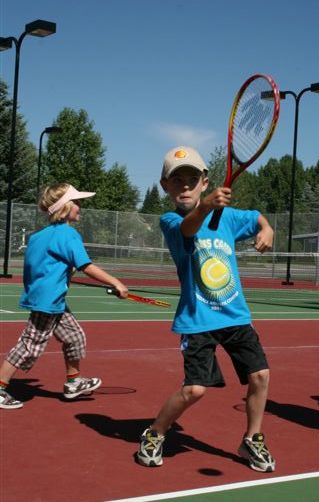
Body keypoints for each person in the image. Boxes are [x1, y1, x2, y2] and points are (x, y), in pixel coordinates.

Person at [137, 146, 275, 472]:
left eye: (192, 179)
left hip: (235, 315)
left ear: (204, 181)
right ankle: (155, 432)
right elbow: (188, 229)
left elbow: (256, 217)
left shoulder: (228, 217)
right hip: (197, 319)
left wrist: (267, 229)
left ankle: (252, 438)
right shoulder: (170, 220)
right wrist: (206, 207)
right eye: (177, 180)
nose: (185, 185)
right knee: (194, 390)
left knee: (261, 375)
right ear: (165, 186)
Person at [0, 183, 128, 410]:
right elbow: (86, 266)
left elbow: (37, 267)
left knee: (74, 338)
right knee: (30, 346)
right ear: (65, 207)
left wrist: (62, 276)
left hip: (50, 300)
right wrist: (116, 282)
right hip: (48, 302)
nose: (80, 207)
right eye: (77, 203)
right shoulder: (69, 234)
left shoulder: (39, 237)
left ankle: (73, 383)